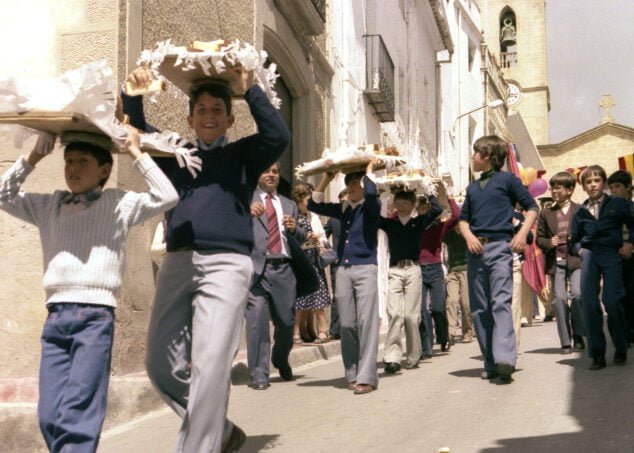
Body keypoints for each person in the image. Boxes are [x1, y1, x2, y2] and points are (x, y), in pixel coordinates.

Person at [124, 66, 289, 451]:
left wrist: (250, 90)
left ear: (230, 118)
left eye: (218, 109)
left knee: (211, 363)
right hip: (178, 261)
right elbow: (133, 127)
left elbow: (278, 135)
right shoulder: (173, 153)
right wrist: (132, 93)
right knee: (160, 365)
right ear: (190, 118)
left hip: (228, 264)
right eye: (202, 110)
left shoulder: (244, 154)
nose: (210, 116)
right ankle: (221, 431)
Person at [0, 128, 178, 452]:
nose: (73, 168)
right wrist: (34, 157)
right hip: (55, 318)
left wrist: (137, 153)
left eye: (83, 161)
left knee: (79, 410)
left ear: (105, 170)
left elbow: (168, 196)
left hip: (94, 318)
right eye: (68, 160)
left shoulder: (119, 204)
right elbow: (2, 194)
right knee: (50, 415)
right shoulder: (50, 205)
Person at [458, 135, 538, 383]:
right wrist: (469, 235)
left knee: (500, 302)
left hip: (500, 249)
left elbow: (532, 207)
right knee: (480, 308)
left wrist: (522, 234)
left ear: (488, 156)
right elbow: (463, 219)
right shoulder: (472, 188)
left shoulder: (508, 180)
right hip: (475, 252)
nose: (472, 157)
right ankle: (490, 362)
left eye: (475, 153)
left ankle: (505, 360)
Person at [308, 160, 381, 395]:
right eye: (348, 185)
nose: (350, 189)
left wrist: (369, 172)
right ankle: (352, 372)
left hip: (365, 267)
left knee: (367, 322)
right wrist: (327, 178)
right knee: (347, 323)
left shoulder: (371, 206)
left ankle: (367, 377)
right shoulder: (342, 209)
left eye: (354, 185)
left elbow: (371, 194)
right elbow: (313, 204)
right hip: (343, 270)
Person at [571, 165, 634, 370]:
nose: (593, 184)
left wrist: (629, 243)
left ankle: (621, 346)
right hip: (589, 255)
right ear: (583, 186)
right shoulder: (580, 212)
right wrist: (579, 250)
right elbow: (573, 241)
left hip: (611, 253)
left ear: (603, 183)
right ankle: (597, 354)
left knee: (613, 301)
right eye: (588, 182)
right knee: (588, 303)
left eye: (597, 180)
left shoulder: (616, 203)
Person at [380, 189, 442, 373]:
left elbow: (436, 209)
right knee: (395, 314)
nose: (401, 206)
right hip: (395, 270)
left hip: (414, 270)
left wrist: (429, 190)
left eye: (405, 203)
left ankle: (414, 355)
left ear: (413, 205)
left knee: (410, 316)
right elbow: (370, 214)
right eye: (398, 203)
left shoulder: (418, 222)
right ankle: (392, 358)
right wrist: (378, 193)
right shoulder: (389, 224)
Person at [536, 171, 585, 354]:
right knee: (559, 300)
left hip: (575, 260)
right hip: (556, 261)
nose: (555, 191)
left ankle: (579, 335)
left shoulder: (580, 210)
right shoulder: (546, 213)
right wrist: (549, 242)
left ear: (570, 190)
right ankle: (565, 340)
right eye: (553, 188)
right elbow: (539, 238)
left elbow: (589, 233)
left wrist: (578, 239)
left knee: (578, 295)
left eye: (559, 188)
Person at [418, 191, 460, 356]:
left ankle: (443, 338)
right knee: (421, 310)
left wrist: (449, 196)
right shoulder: (415, 226)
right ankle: (426, 345)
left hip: (435, 269)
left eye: (426, 208)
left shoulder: (440, 227)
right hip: (419, 269)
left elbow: (456, 216)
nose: (424, 211)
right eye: (421, 209)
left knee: (437, 308)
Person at [291, 182, 332, 345]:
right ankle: (297, 331)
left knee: (318, 292)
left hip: (313, 258)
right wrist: (306, 238)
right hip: (300, 258)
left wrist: (317, 238)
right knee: (300, 297)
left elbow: (322, 235)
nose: (310, 204)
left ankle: (323, 329)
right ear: (299, 200)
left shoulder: (312, 216)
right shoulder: (292, 216)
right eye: (308, 200)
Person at [608, 169, 634, 344]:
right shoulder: (609, 211)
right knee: (621, 297)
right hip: (616, 259)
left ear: (629, 187)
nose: (614, 191)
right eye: (611, 187)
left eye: (618, 186)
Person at [323, 188, 348, 340]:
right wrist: (331, 253)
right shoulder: (334, 219)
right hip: (338, 264)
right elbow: (322, 237)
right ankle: (335, 329)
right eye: (341, 202)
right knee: (338, 296)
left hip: (356, 262)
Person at [444, 225, 474, 344]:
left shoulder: (468, 233)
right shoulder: (449, 234)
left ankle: (467, 331)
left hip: (466, 270)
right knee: (451, 300)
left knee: (466, 303)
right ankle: (450, 332)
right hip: (452, 271)